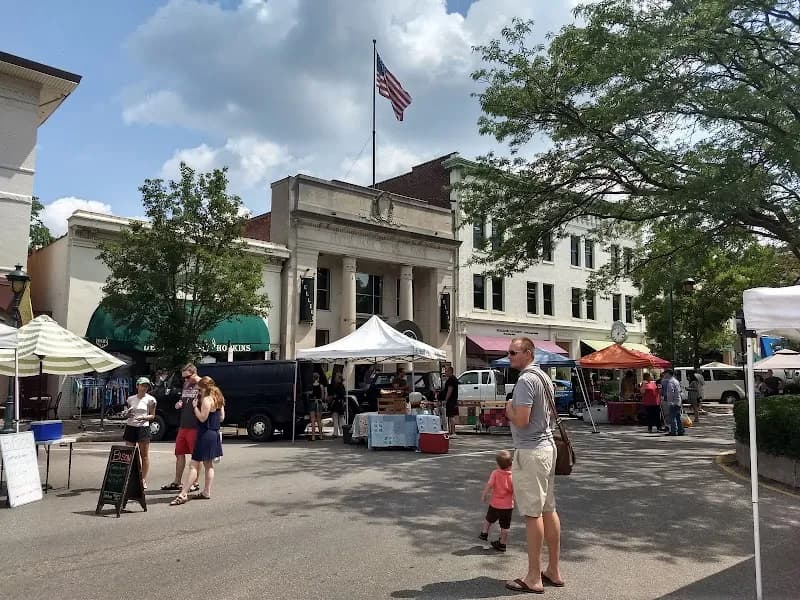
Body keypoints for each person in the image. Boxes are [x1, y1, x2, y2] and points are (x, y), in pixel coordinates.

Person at [504, 337, 563, 594]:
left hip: (531, 451)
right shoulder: (542, 377)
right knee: (548, 509)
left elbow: (522, 420)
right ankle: (553, 570)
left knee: (532, 514)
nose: (510, 357)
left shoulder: (526, 380)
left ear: (528, 353)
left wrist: (508, 409)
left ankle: (533, 577)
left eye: (513, 352)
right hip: (547, 448)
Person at [170, 376, 225, 505]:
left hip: (205, 433)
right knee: (208, 465)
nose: (199, 392)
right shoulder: (219, 398)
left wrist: (195, 407)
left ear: (205, 388)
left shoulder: (207, 400)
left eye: (200, 389)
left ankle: (183, 494)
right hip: (214, 432)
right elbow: (222, 417)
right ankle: (206, 491)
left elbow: (202, 418)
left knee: (194, 464)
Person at [161, 364, 201, 493]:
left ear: (194, 373)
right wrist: (181, 403)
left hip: (195, 426)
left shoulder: (202, 384)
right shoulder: (186, 384)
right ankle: (177, 481)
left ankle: (195, 482)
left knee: (195, 457)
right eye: (183, 377)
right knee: (179, 453)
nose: (185, 380)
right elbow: (184, 398)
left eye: (188, 377)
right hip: (184, 424)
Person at [122, 377, 157, 489]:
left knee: (144, 455)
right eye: (142, 385)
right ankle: (130, 477)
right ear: (137, 386)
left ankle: (143, 479)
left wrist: (144, 417)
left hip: (143, 428)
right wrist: (126, 414)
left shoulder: (151, 400)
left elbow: (153, 415)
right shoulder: (130, 399)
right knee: (129, 455)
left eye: (146, 386)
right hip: (131, 427)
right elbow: (128, 413)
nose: (144, 388)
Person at [479, 449, 514, 552]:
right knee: (505, 526)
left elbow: (489, 485)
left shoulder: (495, 473)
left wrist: (484, 494)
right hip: (507, 506)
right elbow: (515, 490)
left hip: (495, 504)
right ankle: (502, 543)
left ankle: (484, 532)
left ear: (498, 464)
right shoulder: (513, 476)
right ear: (511, 464)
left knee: (488, 519)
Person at [662, 370, 684, 436]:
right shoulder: (676, 381)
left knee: (672, 417)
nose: (664, 375)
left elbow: (671, 393)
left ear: (668, 374)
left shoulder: (670, 382)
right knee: (678, 417)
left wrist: (670, 402)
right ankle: (680, 430)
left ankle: (673, 431)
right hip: (678, 401)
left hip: (673, 402)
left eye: (665, 374)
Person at [307, 372, 325, 441]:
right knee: (319, 420)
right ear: (318, 378)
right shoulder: (321, 386)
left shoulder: (310, 386)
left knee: (313, 420)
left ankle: (313, 437)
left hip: (312, 402)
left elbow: (308, 395)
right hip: (319, 402)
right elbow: (322, 396)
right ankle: (321, 436)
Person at [328, 373, 347, 438]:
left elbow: (337, 395)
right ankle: (343, 432)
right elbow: (343, 395)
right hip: (340, 403)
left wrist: (334, 396)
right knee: (341, 418)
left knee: (336, 418)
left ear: (339, 378)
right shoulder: (342, 386)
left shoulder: (336, 386)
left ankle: (336, 433)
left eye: (336, 377)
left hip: (336, 403)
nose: (335, 378)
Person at [443, 366, 459, 437]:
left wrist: (446, 399)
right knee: (450, 416)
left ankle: (453, 432)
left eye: (446, 371)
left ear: (450, 371)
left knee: (451, 416)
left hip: (451, 400)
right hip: (453, 400)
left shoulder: (451, 379)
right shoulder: (453, 378)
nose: (445, 372)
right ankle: (450, 431)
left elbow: (450, 390)